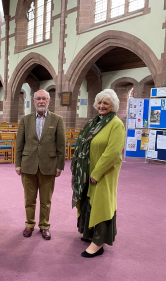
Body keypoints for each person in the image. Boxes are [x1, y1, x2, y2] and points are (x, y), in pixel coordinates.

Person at [71, 89, 126, 258]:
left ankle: (98, 242)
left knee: (101, 203)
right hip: (88, 170)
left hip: (104, 173)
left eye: (106, 103)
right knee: (88, 200)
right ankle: (89, 233)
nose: (101, 106)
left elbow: (113, 152)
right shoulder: (93, 122)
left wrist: (97, 172)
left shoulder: (116, 123)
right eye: (99, 103)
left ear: (113, 105)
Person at [15, 89, 66, 240]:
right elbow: (19, 144)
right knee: (29, 199)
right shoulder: (26, 119)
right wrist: (18, 164)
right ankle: (29, 224)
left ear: (49, 101)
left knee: (46, 200)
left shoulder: (57, 120)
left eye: (44, 98)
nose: (41, 101)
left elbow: (61, 146)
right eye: (38, 99)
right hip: (28, 165)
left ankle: (44, 226)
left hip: (48, 166)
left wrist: (60, 166)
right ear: (34, 101)